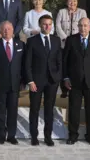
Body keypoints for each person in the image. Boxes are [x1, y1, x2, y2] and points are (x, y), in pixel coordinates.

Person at [62, 17, 90, 145]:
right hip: (74, 81)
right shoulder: (71, 40)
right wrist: (65, 78)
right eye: (80, 25)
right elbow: (65, 61)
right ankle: (73, 135)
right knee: (74, 110)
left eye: (85, 25)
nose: (83, 28)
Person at [25, 15, 62, 146]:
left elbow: (59, 61)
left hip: (52, 81)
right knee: (34, 109)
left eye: (49, 24)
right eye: (45, 24)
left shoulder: (56, 40)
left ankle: (48, 137)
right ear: (40, 25)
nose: (47, 26)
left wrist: (57, 77)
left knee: (49, 110)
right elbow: (27, 63)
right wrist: (30, 81)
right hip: (36, 82)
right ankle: (34, 137)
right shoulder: (32, 41)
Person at [0, 21, 25, 145]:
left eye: (9, 29)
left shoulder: (20, 44)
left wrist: (23, 81)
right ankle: (2, 135)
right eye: (4, 29)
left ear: (13, 31)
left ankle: (12, 136)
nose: (6, 31)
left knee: (13, 111)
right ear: (0, 31)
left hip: (15, 84)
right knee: (0, 111)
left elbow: (23, 65)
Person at [56, 0, 87, 98]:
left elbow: (84, 26)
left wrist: (73, 40)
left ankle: (77, 88)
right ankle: (64, 90)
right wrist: (65, 38)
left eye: (74, 1)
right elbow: (58, 26)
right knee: (64, 64)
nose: (72, 3)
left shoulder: (82, 12)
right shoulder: (61, 12)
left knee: (75, 64)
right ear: (66, 2)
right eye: (70, 1)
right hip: (64, 42)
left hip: (77, 43)